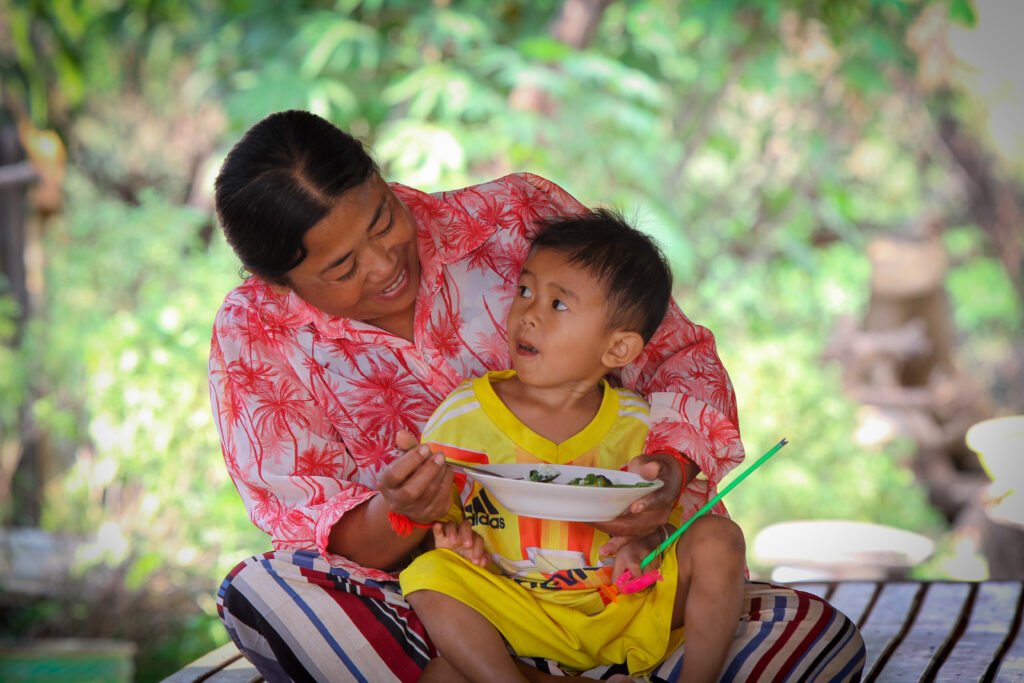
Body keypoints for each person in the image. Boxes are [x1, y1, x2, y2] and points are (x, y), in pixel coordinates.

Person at [209, 109, 865, 682]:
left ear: (380, 176)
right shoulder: (255, 332)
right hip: (455, 601)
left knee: (818, 634)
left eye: (384, 220)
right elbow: (321, 532)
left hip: (615, 582)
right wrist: (403, 512)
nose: (384, 266)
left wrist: (668, 475)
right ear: (277, 279)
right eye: (343, 268)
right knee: (265, 592)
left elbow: (677, 357)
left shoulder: (516, 216)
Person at [400, 209, 747, 682]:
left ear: (618, 350)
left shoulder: (639, 428)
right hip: (516, 607)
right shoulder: (464, 414)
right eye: (524, 290)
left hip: (623, 606)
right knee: (429, 578)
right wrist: (463, 548)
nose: (529, 314)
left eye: (558, 305)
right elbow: (445, 517)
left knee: (720, 538)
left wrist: (647, 540)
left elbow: (669, 523)